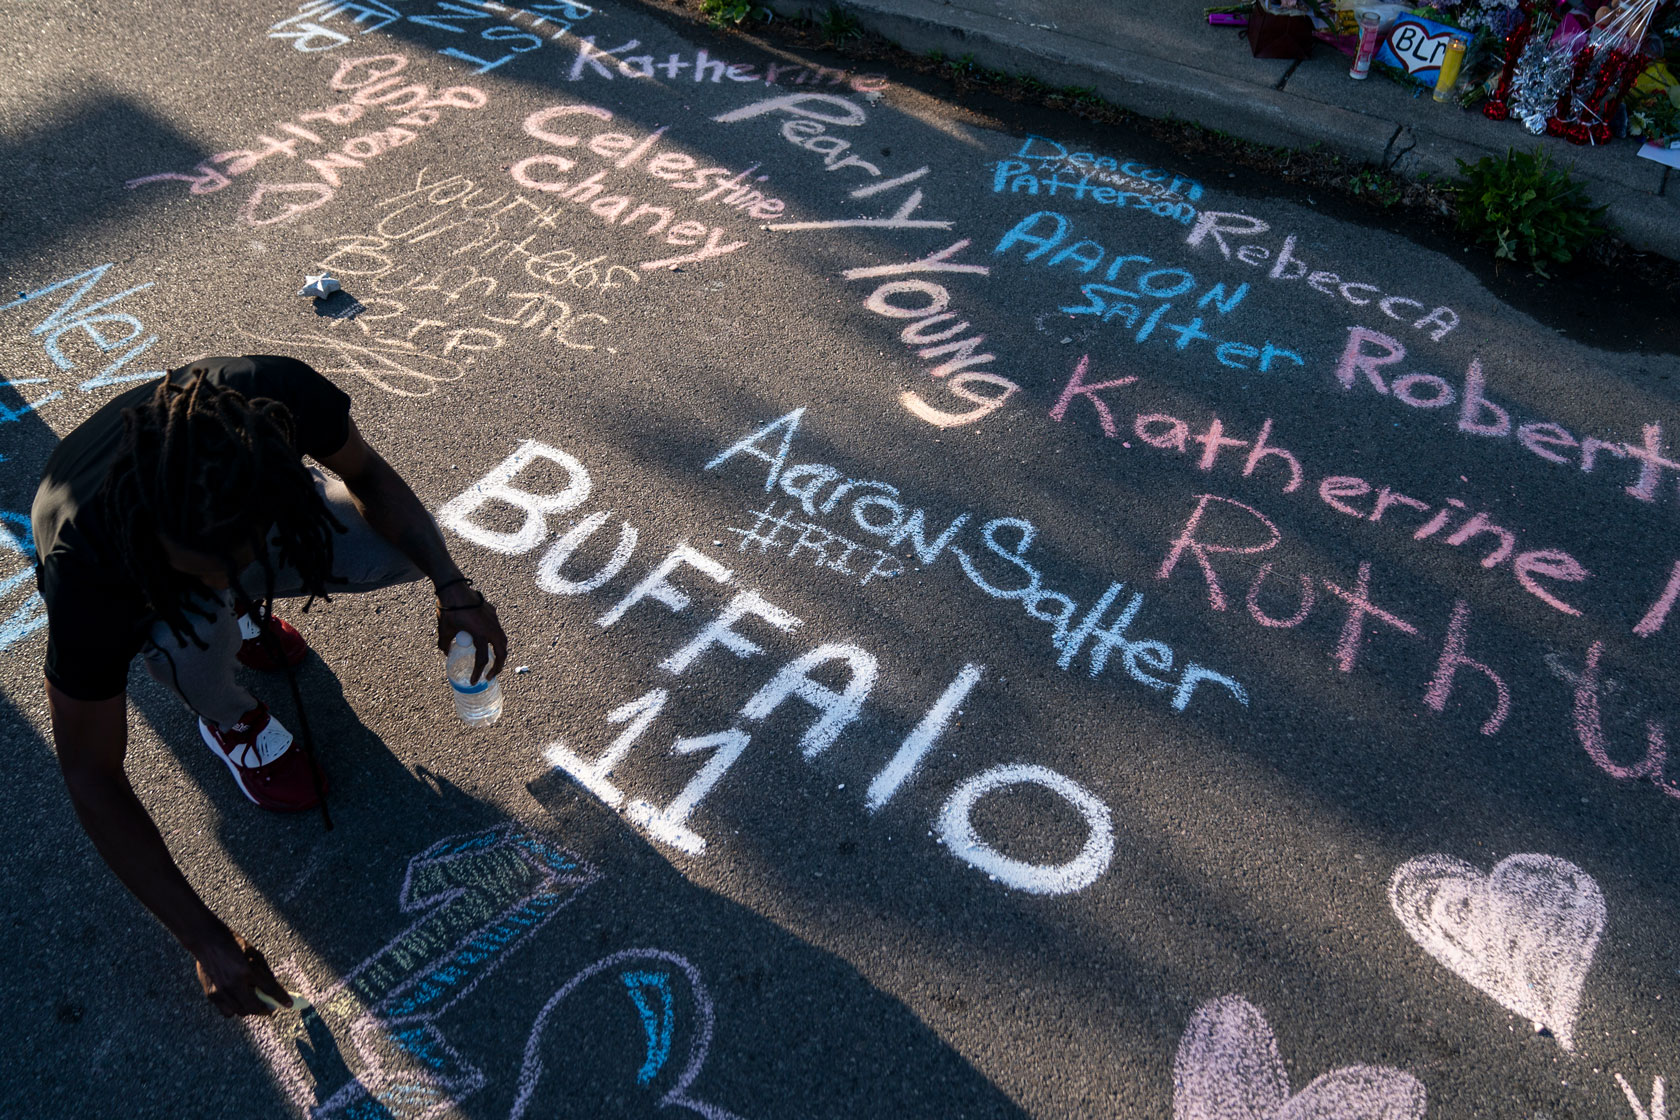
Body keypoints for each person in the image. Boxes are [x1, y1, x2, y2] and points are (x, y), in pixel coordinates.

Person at [31, 354, 508, 1018]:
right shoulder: (88, 572)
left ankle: (237, 604)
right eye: (206, 570)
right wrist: (203, 938)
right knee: (187, 632)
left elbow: (366, 473)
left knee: (402, 546)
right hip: (108, 528)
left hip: (236, 501)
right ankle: (230, 716)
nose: (224, 579)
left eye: (239, 563)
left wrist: (453, 588)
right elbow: (89, 772)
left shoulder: (272, 403)